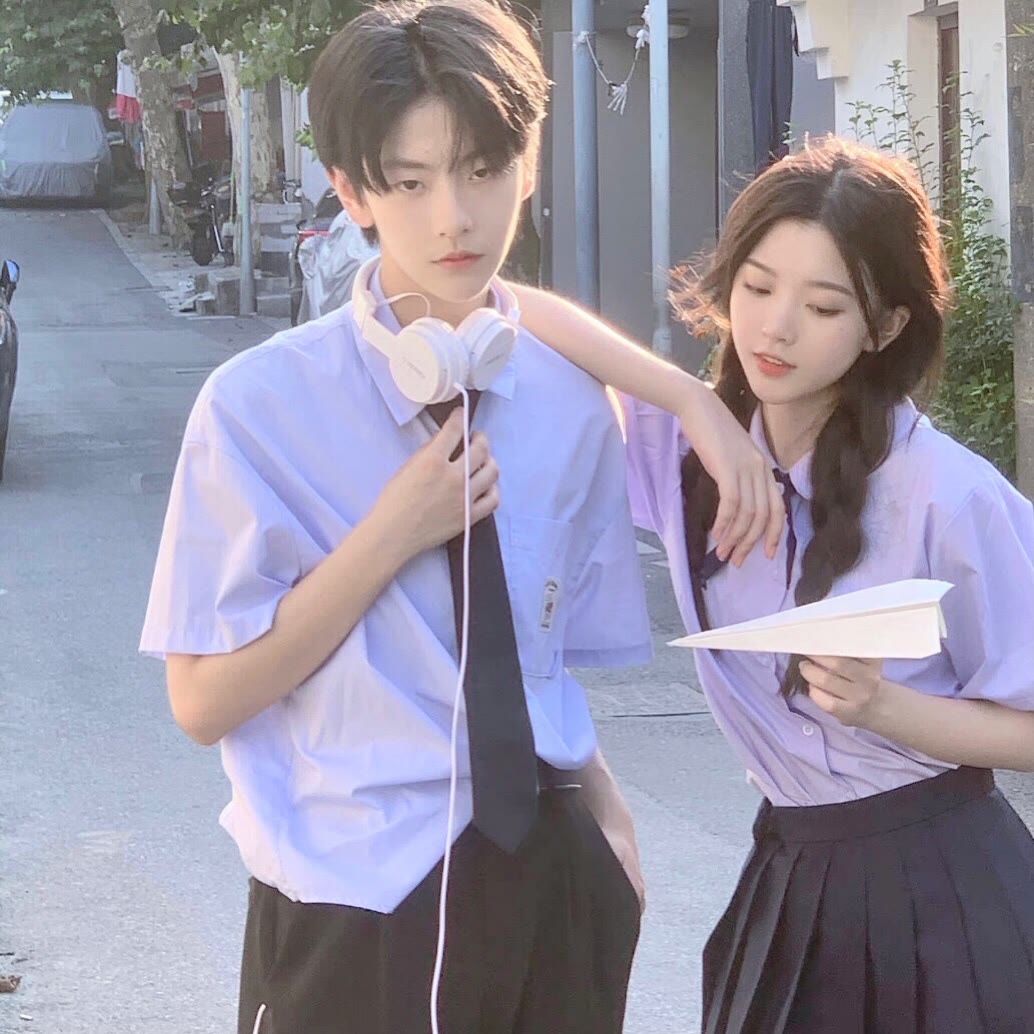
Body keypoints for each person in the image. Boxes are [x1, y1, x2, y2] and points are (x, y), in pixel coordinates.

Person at [138, 2, 779, 1032]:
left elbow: (537, 666)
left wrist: (607, 827)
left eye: (484, 169)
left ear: (528, 164)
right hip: (354, 901)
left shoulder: (570, 400)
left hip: (554, 890)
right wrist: (389, 535)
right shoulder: (258, 408)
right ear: (351, 189)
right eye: (410, 181)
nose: (454, 219)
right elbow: (202, 701)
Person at [514, 137, 1034, 1034]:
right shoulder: (687, 453)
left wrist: (885, 708)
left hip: (946, 895)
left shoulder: (949, 497)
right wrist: (692, 404)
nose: (776, 328)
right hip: (790, 872)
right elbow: (503, 310)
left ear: (884, 328)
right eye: (756, 288)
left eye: (823, 306)